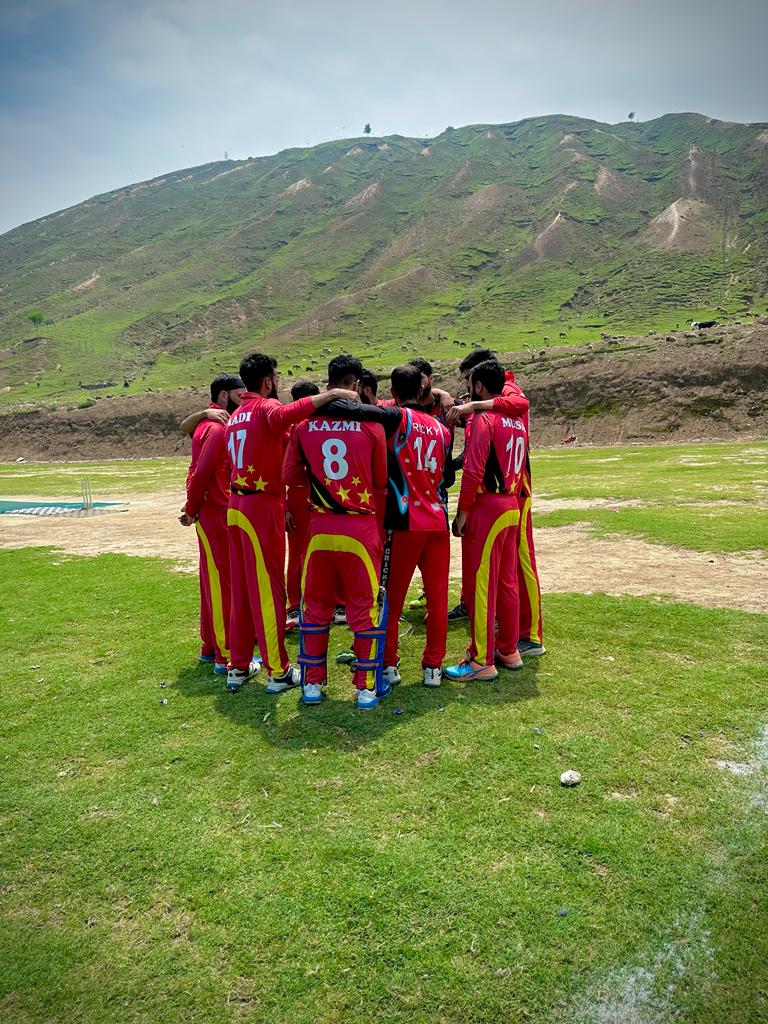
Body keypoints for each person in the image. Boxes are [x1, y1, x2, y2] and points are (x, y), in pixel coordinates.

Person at [224, 353, 357, 693]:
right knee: (269, 588)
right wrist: (330, 395)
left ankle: (238, 666)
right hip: (260, 505)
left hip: (237, 506)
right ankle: (279, 670)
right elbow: (286, 413)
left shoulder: (236, 415)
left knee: (241, 589)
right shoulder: (265, 407)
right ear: (268, 381)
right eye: (277, 376)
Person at [282, 385, 388, 709]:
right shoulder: (372, 426)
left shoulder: (303, 427)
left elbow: (290, 473)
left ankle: (311, 684)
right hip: (359, 527)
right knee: (363, 606)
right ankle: (365, 689)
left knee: (314, 607)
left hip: (320, 528)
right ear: (355, 388)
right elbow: (381, 479)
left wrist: (318, 482)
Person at [447, 348, 544, 657]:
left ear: (480, 381)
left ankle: (529, 633)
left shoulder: (509, 389)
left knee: (519, 562)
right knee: (504, 571)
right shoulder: (491, 412)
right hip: (508, 491)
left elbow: (520, 403)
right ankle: (508, 633)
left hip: (513, 489)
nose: (465, 387)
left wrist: (474, 407)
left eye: (468, 381)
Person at [379, 365, 452, 688]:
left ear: (393, 393)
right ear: (423, 391)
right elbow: (448, 477)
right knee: (437, 600)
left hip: (405, 522)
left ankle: (389, 664)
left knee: (392, 599)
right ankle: (433, 667)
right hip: (438, 521)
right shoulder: (441, 429)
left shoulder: (394, 419)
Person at [179, 374, 245, 674]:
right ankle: (225, 654)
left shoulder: (209, 424)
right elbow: (201, 472)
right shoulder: (217, 429)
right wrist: (192, 508)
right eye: (239, 394)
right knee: (223, 584)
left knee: (211, 581)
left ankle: (209, 646)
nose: (244, 399)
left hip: (212, 512)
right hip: (216, 513)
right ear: (223, 396)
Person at [285, 381, 320, 627]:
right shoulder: (288, 430)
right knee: (298, 553)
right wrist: (284, 507)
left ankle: (313, 603)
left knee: (316, 551)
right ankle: (295, 605)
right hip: (299, 495)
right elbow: (280, 471)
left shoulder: (315, 426)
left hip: (316, 495)